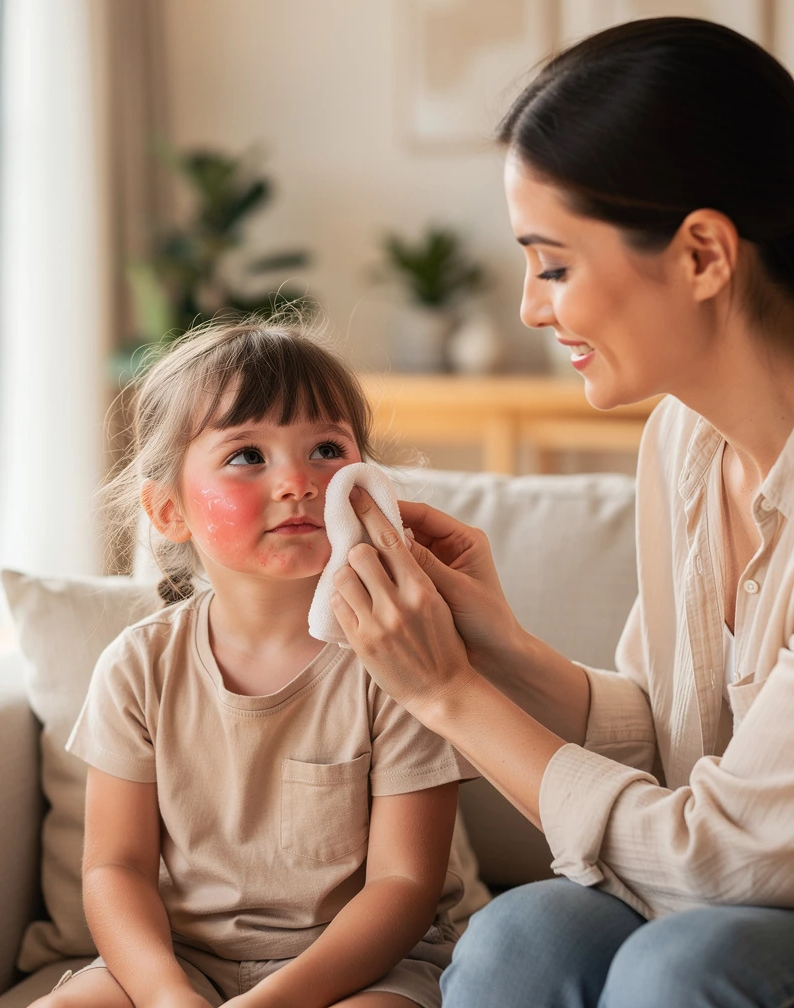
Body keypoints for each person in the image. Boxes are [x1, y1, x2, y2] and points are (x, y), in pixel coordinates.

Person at [329, 17, 794, 1008]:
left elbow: (728, 857)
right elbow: (672, 737)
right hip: (730, 893)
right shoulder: (682, 442)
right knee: (518, 937)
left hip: (744, 908)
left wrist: (449, 694)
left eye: (553, 265)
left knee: (682, 967)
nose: (534, 310)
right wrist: (497, 645)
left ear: (704, 254)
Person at [32, 317, 478, 1008]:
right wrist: (163, 995)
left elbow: (404, 887)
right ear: (167, 511)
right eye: (247, 456)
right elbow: (115, 868)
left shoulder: (400, 655)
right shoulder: (138, 667)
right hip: (184, 963)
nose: (298, 481)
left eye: (326, 449)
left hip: (366, 968)